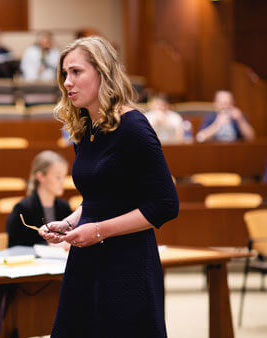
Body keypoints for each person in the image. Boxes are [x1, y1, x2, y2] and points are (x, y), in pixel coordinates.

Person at [38, 36, 179, 337]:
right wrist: (68, 222)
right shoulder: (85, 128)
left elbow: (165, 204)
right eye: (64, 74)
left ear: (102, 73)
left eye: (76, 72)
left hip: (126, 265)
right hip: (87, 259)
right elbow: (98, 199)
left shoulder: (134, 127)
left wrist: (100, 230)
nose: (67, 82)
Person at [6, 150, 72, 247]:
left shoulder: (64, 207)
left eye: (64, 176)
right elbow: (15, 245)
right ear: (41, 176)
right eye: (58, 177)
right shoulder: (23, 209)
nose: (63, 181)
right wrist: (48, 246)